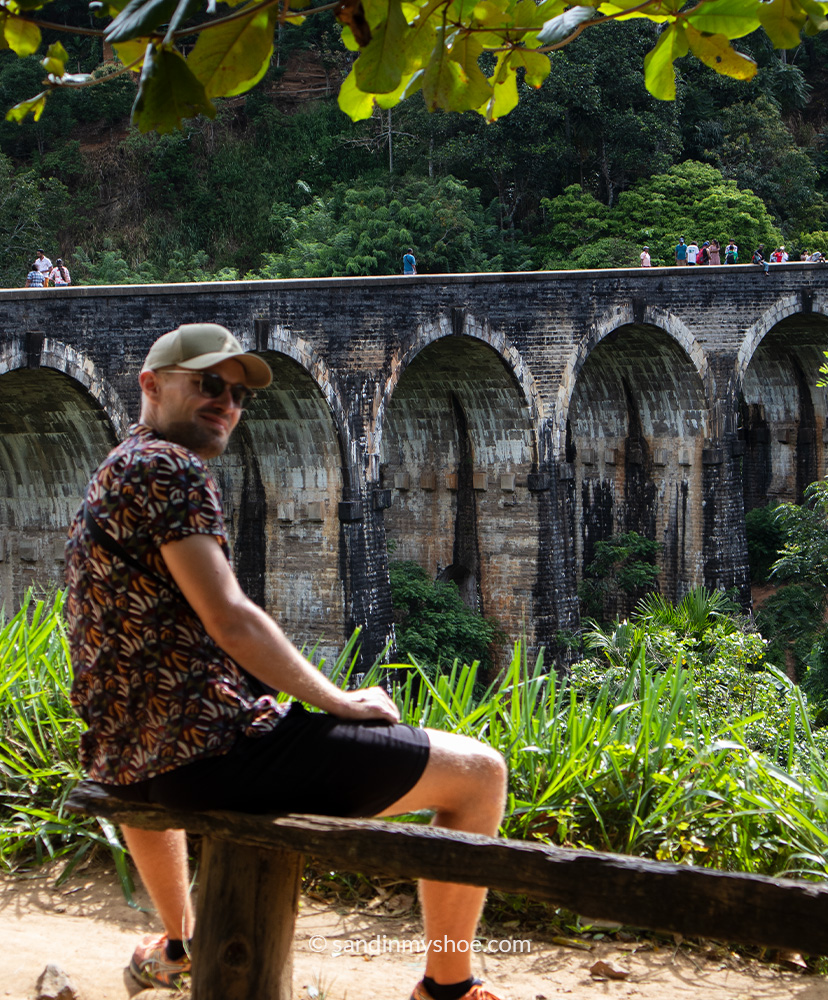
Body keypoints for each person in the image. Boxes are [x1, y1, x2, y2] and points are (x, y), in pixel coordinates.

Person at [64, 323, 508, 1000]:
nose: (227, 403)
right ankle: (448, 987)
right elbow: (231, 617)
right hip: (215, 760)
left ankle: (181, 944)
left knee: (186, 737)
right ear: (151, 385)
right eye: (209, 384)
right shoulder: (171, 468)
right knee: (480, 775)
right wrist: (339, 700)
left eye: (238, 393)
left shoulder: (115, 468)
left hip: (129, 762)